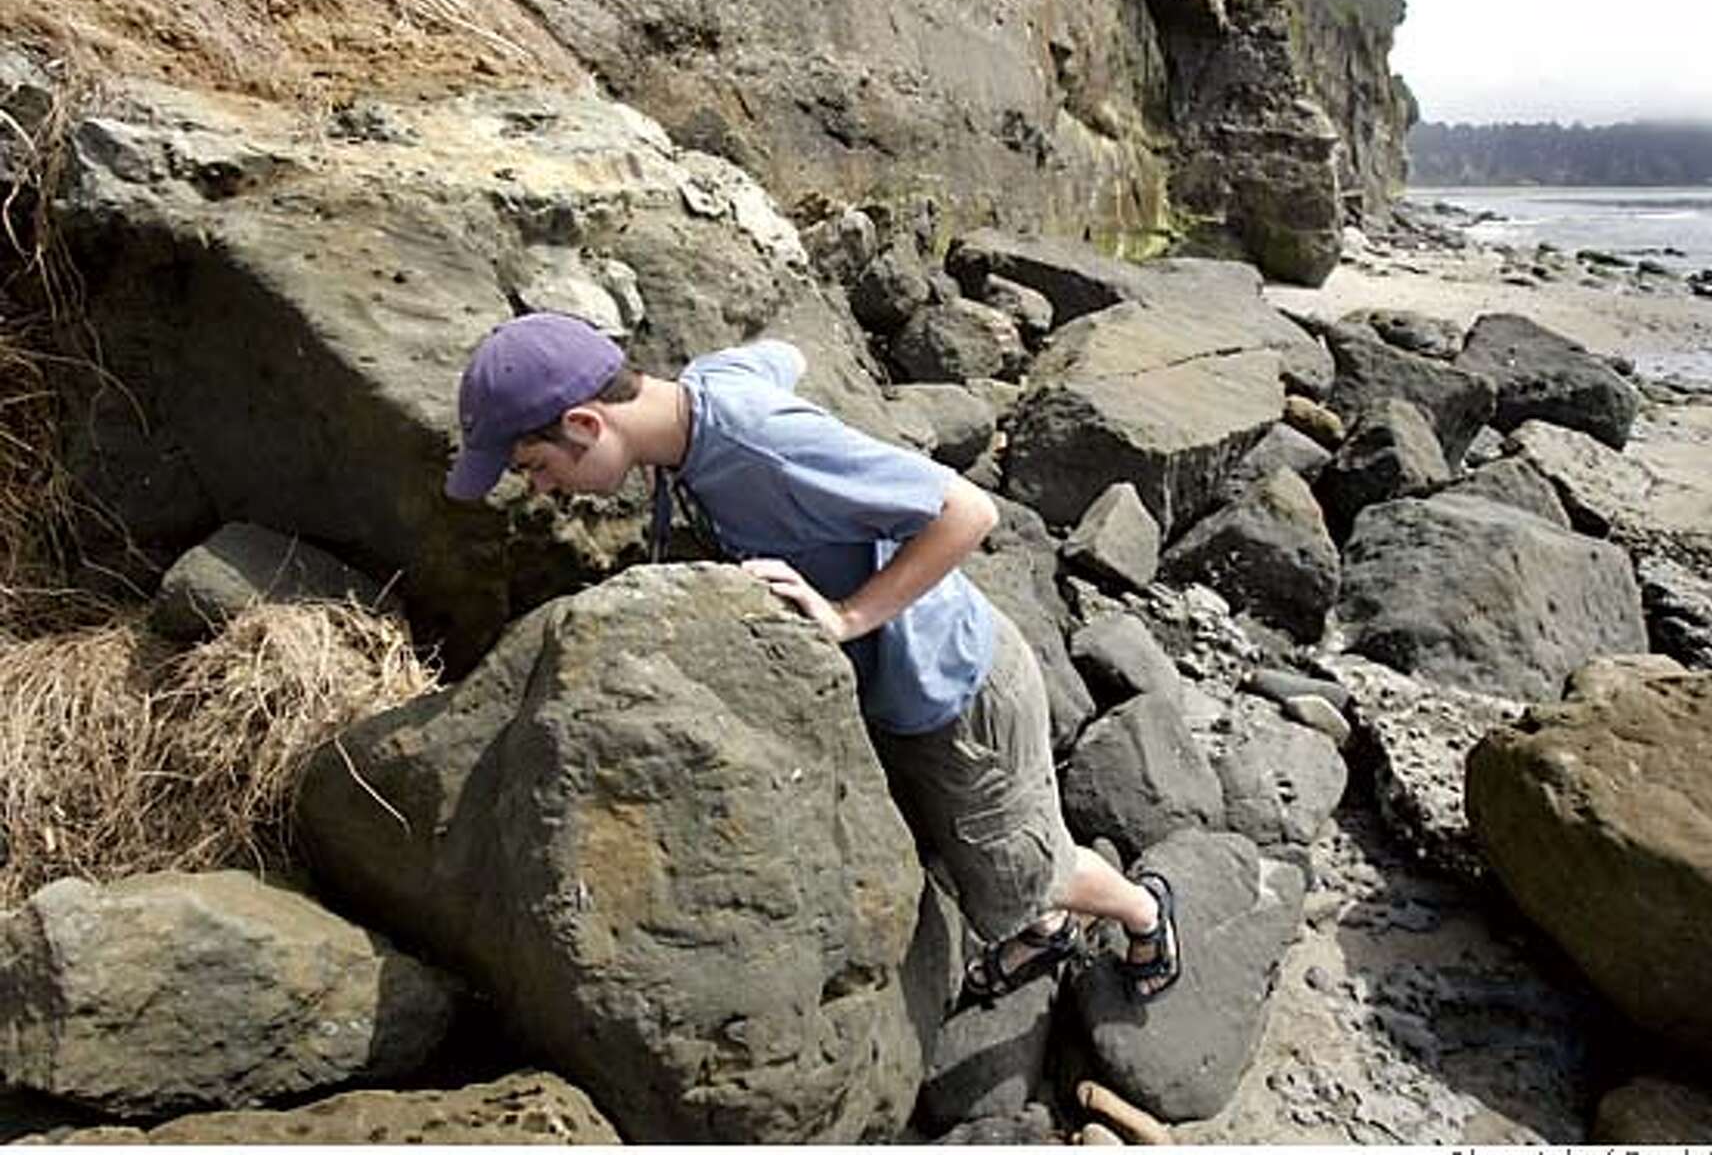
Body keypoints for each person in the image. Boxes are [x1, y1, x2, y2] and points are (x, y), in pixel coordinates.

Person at [445, 311, 1179, 1004]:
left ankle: (1143, 913)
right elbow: (782, 356)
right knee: (969, 846)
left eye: (535, 465)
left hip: (956, 692)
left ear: (585, 422)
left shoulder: (758, 446)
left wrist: (847, 615)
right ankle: (1046, 928)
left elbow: (969, 511)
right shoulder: (699, 393)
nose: (541, 488)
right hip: (897, 685)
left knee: (1023, 870)